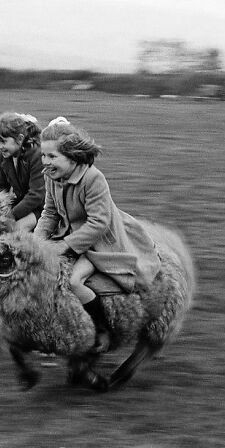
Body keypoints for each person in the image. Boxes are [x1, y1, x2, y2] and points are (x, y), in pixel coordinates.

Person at [34, 117, 162, 351]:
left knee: (73, 282)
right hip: (70, 235)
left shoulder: (93, 179)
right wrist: (37, 240)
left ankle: (101, 330)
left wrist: (64, 246)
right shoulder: (51, 176)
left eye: (52, 157)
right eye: (43, 156)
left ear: (72, 156)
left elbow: (98, 224)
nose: (46, 162)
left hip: (99, 243)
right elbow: (49, 212)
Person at [0, 112, 45, 231]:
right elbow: (1, 187)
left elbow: (36, 195)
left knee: (16, 231)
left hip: (43, 207)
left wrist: (11, 216)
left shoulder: (36, 154)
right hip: (23, 203)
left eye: (3, 142)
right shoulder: (3, 155)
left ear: (20, 139)